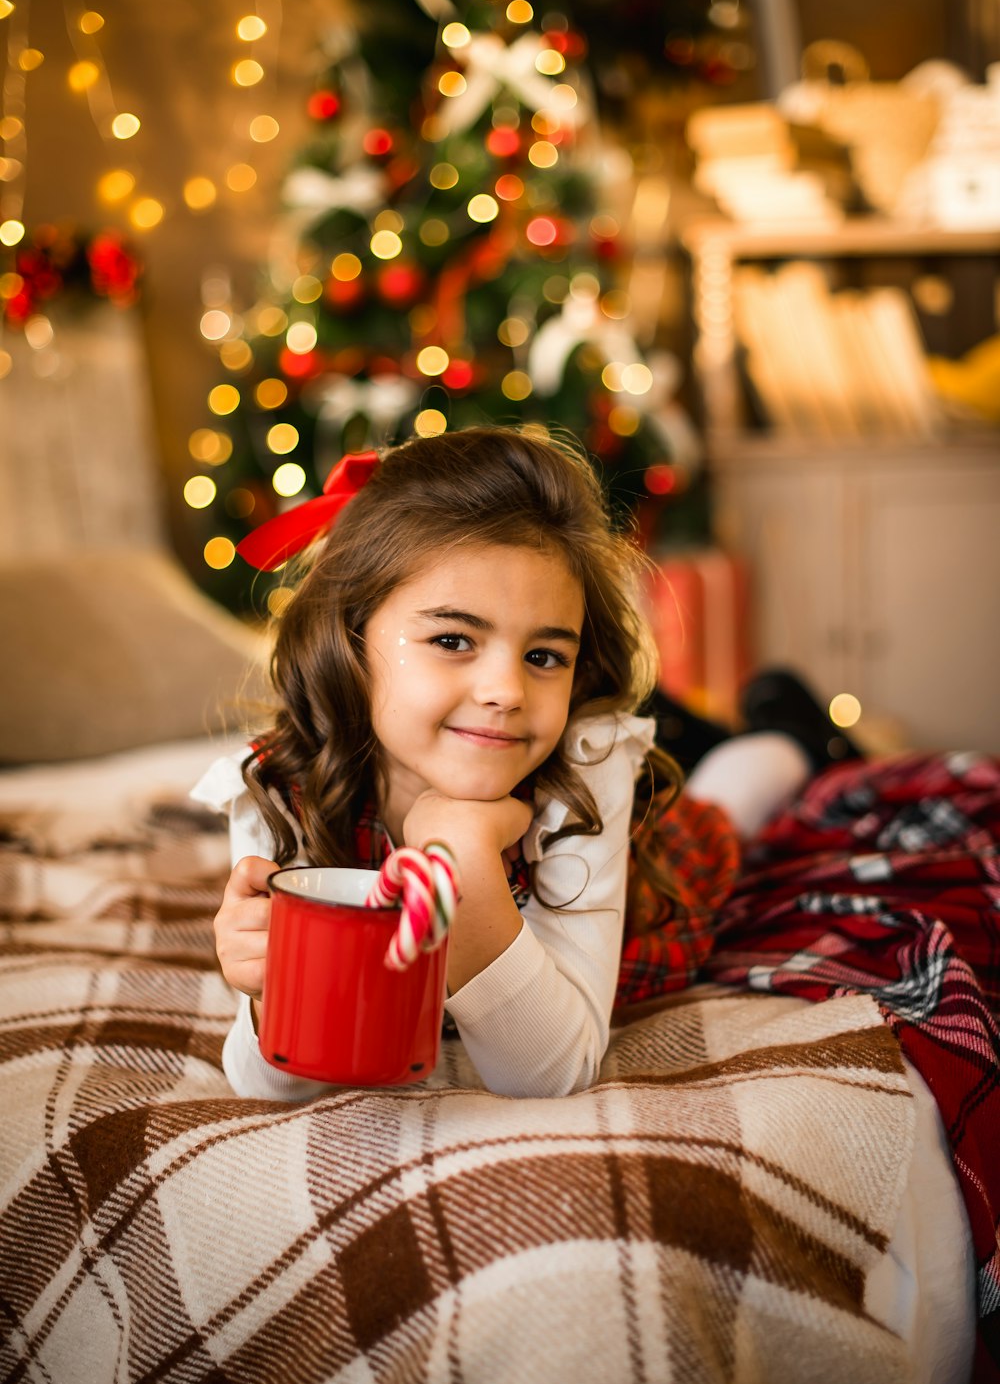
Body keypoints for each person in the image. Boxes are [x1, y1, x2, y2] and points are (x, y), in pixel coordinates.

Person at [194, 426, 854, 1101]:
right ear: (350, 640)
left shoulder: (585, 773)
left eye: (544, 655)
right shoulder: (279, 789)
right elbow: (268, 1084)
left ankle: (797, 730)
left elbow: (554, 1071)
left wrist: (468, 861)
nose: (506, 690)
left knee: (727, 808)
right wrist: (264, 995)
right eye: (453, 639)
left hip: (663, 861)